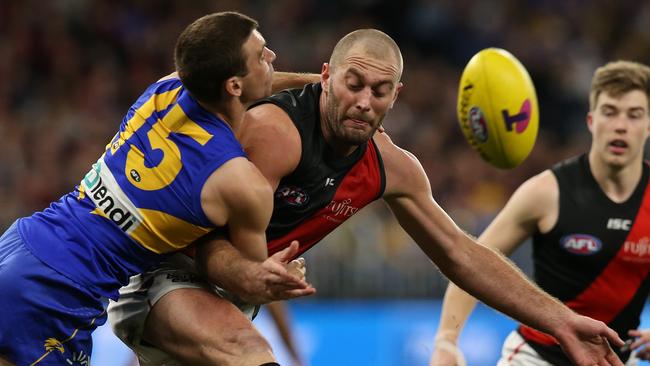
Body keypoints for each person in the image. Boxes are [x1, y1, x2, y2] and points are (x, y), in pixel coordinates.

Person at [108, 29, 626, 366]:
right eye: (352, 83)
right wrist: (250, 276)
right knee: (251, 358)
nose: (363, 101)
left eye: (379, 91)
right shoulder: (275, 132)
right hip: (165, 278)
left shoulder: (390, 166)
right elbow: (197, 241)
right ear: (327, 77)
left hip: (232, 300)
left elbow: (460, 252)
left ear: (395, 96)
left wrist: (559, 322)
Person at [0, 11, 318, 366]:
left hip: (22, 244)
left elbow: (246, 80)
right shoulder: (241, 182)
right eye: (261, 55)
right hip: (57, 291)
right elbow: (247, 283)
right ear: (233, 86)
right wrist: (279, 278)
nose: (272, 57)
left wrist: (317, 82)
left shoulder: (166, 88)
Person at [431, 60, 650, 366]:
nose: (621, 125)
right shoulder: (546, 192)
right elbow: (471, 262)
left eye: (634, 114)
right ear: (591, 120)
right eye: (610, 112)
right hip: (535, 359)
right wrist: (446, 341)